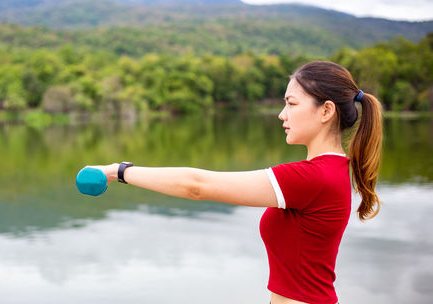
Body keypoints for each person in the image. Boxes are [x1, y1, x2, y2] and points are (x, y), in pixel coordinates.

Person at [87, 61, 383, 304]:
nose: (282, 114)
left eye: (292, 104)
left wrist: (118, 171)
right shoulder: (329, 171)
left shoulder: (312, 178)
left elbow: (196, 186)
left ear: (326, 111)